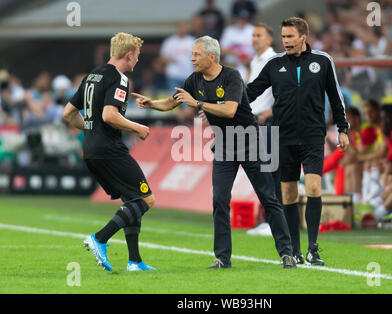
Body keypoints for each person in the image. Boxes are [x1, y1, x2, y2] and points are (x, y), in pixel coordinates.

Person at [133, 35, 296, 269]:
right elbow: (173, 102)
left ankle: (286, 253)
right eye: (191, 55)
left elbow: (230, 110)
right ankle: (222, 258)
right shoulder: (195, 79)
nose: (191, 59)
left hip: (249, 142)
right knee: (219, 199)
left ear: (212, 56)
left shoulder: (232, 76)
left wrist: (197, 104)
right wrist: (152, 103)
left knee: (268, 197)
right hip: (224, 146)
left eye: (196, 55)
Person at [246, 17, 350, 266]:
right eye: (283, 37)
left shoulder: (323, 61)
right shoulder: (275, 64)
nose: (286, 41)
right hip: (283, 136)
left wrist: (343, 129)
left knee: (313, 188)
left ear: (303, 36)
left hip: (313, 135)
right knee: (288, 193)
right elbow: (251, 91)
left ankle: (313, 248)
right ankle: (294, 248)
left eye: (290, 37)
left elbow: (335, 97)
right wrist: (224, 105)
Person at [63, 32, 156, 272]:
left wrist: (91, 128)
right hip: (109, 149)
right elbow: (109, 115)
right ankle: (100, 238)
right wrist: (137, 127)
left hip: (91, 149)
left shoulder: (92, 75)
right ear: (128, 54)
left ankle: (134, 261)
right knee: (146, 199)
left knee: (131, 199)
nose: (137, 60)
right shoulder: (120, 79)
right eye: (137, 55)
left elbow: (68, 114)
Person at [245, 23, 278, 237]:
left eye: (259, 35)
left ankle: (273, 220)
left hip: (268, 123)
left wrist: (271, 112)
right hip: (253, 121)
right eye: (253, 35)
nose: (255, 38)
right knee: (262, 172)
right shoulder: (255, 61)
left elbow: (284, 91)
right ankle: (268, 218)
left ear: (269, 39)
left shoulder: (274, 61)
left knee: (271, 172)